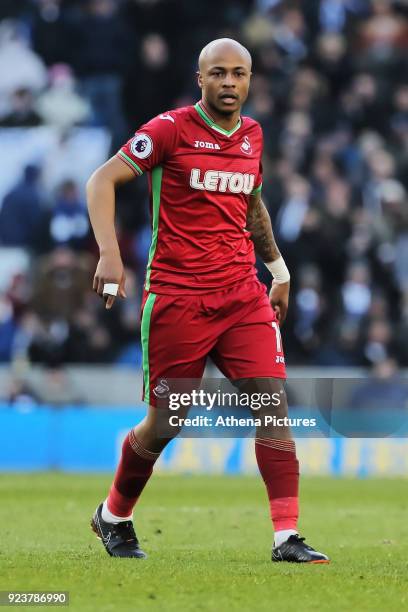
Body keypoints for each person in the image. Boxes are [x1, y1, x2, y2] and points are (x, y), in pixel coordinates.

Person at [86, 38, 329, 564]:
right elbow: (101, 179)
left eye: (238, 74)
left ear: (249, 81)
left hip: (242, 295)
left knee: (273, 407)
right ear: (201, 79)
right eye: (218, 73)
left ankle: (286, 536)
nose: (228, 83)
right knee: (166, 421)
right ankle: (114, 515)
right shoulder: (169, 130)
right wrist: (109, 254)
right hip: (177, 298)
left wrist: (279, 270)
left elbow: (253, 206)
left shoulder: (252, 136)